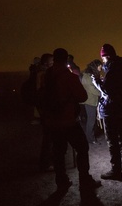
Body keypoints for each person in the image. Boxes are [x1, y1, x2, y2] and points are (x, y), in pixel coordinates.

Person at [39, 48, 100, 191]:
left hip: (52, 121)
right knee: (82, 148)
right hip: (68, 120)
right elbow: (82, 97)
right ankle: (85, 180)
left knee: (59, 152)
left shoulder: (46, 76)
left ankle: (61, 181)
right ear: (66, 59)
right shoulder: (70, 77)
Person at [91, 44, 122, 180]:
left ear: (106, 56)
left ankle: (116, 170)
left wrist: (96, 80)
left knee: (112, 140)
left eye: (103, 59)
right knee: (121, 136)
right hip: (120, 108)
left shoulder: (113, 69)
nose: (102, 62)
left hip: (110, 109)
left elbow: (107, 91)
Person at [36, 53, 54, 172]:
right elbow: (42, 93)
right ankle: (45, 164)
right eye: (52, 62)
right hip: (46, 110)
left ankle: (47, 161)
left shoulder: (40, 73)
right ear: (47, 63)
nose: (53, 63)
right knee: (48, 138)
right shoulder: (43, 75)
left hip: (44, 109)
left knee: (49, 137)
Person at [80, 59, 102, 144]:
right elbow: (92, 89)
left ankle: (90, 138)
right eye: (100, 66)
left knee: (91, 120)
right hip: (90, 101)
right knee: (91, 120)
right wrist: (102, 93)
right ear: (96, 66)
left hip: (90, 100)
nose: (101, 67)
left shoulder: (89, 75)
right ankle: (90, 139)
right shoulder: (88, 77)